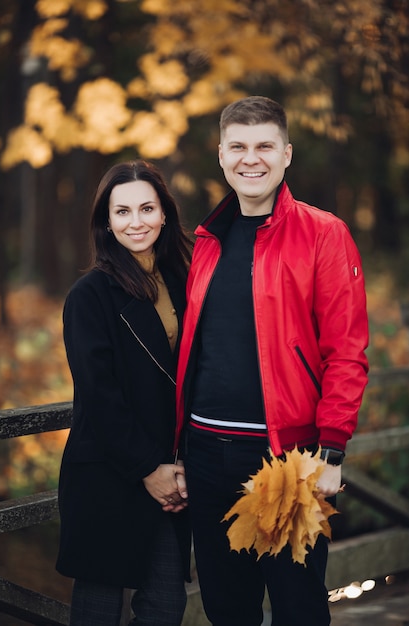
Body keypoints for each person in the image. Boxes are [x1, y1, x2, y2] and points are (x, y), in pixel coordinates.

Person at [174, 96, 369, 626]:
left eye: (264, 146)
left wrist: (332, 450)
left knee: (297, 606)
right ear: (221, 155)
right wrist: (176, 450)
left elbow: (346, 350)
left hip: (286, 458)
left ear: (286, 154)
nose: (250, 159)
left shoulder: (324, 233)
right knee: (226, 607)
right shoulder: (208, 241)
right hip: (206, 452)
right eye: (238, 147)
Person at [56, 160, 193, 626]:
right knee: (97, 611)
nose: (136, 222)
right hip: (111, 472)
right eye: (123, 212)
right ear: (107, 222)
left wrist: (178, 468)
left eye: (147, 208)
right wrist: (147, 469)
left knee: (165, 607)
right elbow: (99, 394)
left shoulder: (183, 282)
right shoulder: (89, 295)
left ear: (164, 215)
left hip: (169, 473)